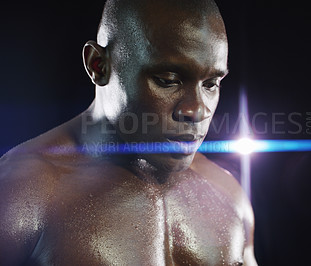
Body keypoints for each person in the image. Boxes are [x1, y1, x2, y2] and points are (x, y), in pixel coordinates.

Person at [0, 0, 257, 264]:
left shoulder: (228, 195)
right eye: (168, 81)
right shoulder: (21, 197)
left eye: (211, 84)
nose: (197, 110)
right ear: (98, 65)